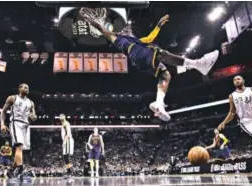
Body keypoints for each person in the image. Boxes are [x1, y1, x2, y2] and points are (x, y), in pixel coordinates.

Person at [80, 11, 219, 121]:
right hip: (136, 53)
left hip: (139, 57)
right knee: (159, 51)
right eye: (127, 28)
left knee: (165, 75)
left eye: (129, 28)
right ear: (122, 32)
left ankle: (159, 103)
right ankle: (198, 64)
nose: (129, 29)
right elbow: (100, 28)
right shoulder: (116, 37)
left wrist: (158, 25)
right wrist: (89, 19)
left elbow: (150, 37)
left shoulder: (137, 40)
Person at [0, 83, 37, 181]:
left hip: (26, 125)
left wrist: (33, 117)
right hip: (16, 123)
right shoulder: (12, 98)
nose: (27, 89)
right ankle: (20, 171)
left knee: (20, 150)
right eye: (24, 87)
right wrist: (2, 124)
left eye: (28, 88)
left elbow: (34, 116)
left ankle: (11, 170)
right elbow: (3, 111)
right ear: (19, 89)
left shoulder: (31, 102)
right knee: (19, 147)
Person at [60, 113, 74, 178]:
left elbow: (68, 133)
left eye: (62, 116)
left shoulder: (66, 123)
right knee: (65, 156)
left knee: (66, 156)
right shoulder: (63, 124)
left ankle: (70, 172)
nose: (61, 117)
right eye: (60, 116)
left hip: (67, 140)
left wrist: (64, 142)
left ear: (65, 117)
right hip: (66, 140)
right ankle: (69, 171)